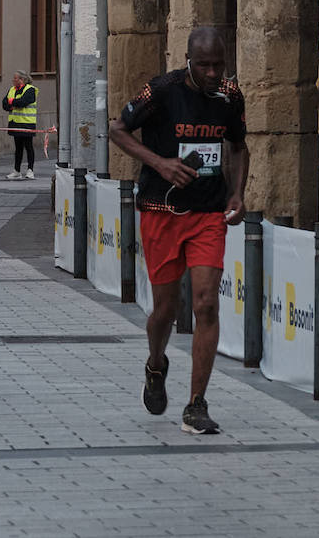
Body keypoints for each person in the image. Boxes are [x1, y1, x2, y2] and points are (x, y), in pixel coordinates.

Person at [108, 27, 248, 435]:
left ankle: (197, 404)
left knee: (206, 304)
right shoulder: (162, 91)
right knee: (165, 311)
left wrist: (237, 193)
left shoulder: (229, 96)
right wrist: (159, 163)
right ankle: (156, 363)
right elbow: (118, 130)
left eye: (218, 65)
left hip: (207, 213)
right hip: (161, 210)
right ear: (188, 59)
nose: (211, 73)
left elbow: (238, 146)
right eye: (203, 65)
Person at [1, 70, 38, 180]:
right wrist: (12, 103)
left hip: (27, 123)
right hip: (15, 123)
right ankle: (16, 171)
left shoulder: (30, 90)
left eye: (15, 78)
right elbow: (4, 104)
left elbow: (23, 102)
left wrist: (12, 102)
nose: (13, 80)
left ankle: (30, 170)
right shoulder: (12, 90)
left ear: (22, 80)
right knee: (18, 148)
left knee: (29, 147)